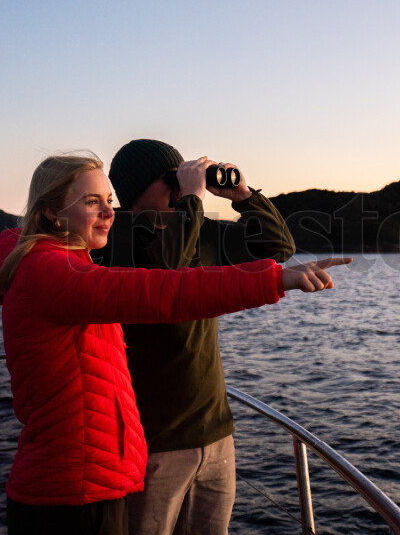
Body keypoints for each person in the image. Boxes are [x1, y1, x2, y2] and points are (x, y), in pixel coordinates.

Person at [0, 153, 350, 535]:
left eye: (107, 200)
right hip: (113, 464)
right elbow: (168, 285)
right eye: (91, 201)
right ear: (52, 211)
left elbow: (276, 246)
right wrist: (198, 206)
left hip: (164, 445)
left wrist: (243, 195)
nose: (105, 211)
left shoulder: (74, 259)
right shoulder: (94, 253)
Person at [93, 140, 294, 535]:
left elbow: (279, 247)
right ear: (136, 188)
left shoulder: (201, 232)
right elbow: (169, 269)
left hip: (216, 433)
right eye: (169, 180)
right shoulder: (116, 240)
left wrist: (243, 196)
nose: (176, 189)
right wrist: (192, 200)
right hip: (153, 442)